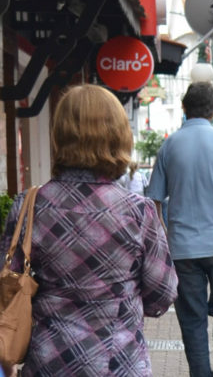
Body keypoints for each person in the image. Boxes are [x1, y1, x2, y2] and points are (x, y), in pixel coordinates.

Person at [0, 85, 177, 375]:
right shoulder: (138, 211)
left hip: (49, 362)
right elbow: (162, 294)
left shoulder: (29, 206)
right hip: (119, 362)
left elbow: (8, 284)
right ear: (118, 135)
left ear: (60, 135)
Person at [147, 82, 213, 377]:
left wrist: (165, 237)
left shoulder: (169, 145)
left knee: (193, 320)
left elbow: (153, 200)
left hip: (182, 250)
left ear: (184, 108)